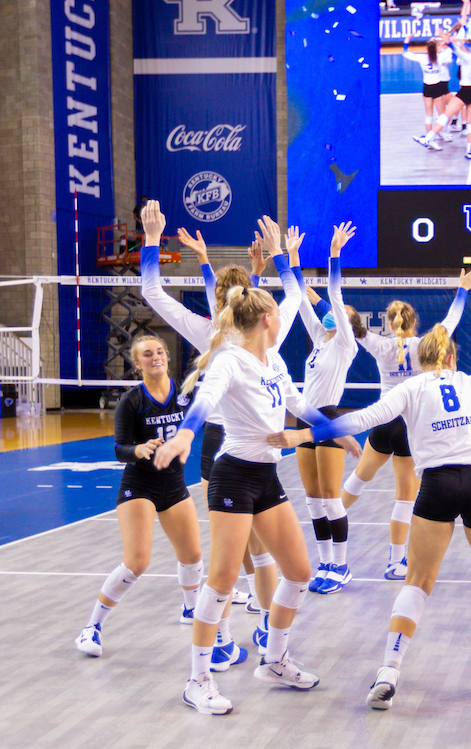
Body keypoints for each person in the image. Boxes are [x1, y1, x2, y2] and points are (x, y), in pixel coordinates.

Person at [268, 326, 471, 709]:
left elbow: (361, 420)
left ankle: (389, 670)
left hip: (437, 485)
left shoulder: (409, 388)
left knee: (418, 582)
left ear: (421, 360)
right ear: (452, 357)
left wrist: (303, 436)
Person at [152, 283, 361, 716]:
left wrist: (335, 431)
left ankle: (276, 661)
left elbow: (299, 403)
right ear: (269, 319)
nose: (282, 318)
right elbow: (205, 398)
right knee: (223, 580)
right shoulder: (230, 360)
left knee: (300, 571)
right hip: (232, 477)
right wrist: (186, 435)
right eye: (280, 314)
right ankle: (198, 680)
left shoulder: (275, 359)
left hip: (266, 475)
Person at [144, 205, 303, 661]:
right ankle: (263, 632)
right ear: (258, 306)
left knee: (233, 551)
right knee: (253, 550)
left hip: (224, 445)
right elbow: (291, 295)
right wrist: (281, 257)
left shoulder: (208, 331)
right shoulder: (253, 331)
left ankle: (230, 639)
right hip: (243, 447)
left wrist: (153, 240)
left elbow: (153, 290)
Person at [341, 269, 471, 579]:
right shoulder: (425, 346)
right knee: (404, 499)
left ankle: (329, 528)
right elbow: (451, 321)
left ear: (389, 323)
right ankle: (395, 563)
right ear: (413, 321)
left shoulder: (379, 345)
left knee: (358, 479)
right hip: (407, 428)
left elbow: (352, 327)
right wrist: (462, 289)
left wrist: (329, 303)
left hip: (382, 422)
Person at [74, 334, 203, 658]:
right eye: (148, 354)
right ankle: (92, 627)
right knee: (137, 562)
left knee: (192, 557)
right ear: (137, 363)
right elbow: (119, 449)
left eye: (160, 352)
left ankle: (191, 611)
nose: (156, 357)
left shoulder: (187, 395)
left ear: (168, 358)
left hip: (174, 485)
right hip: (140, 486)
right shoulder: (131, 401)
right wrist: (139, 449)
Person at [293, 224, 362, 595]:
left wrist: (334, 253)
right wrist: (291, 258)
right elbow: (303, 300)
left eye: (341, 312)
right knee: (313, 497)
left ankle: (342, 564)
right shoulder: (321, 338)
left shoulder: (345, 345)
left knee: (331, 497)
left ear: (347, 321)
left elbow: (332, 296)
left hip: (331, 417)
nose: (334, 313)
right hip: (306, 416)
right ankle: (324, 561)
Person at [415, 0, 471, 159]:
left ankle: (428, 138)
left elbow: (456, 45)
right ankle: (469, 150)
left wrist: (447, 40)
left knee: (445, 114)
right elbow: (464, 20)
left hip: (465, 90)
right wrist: (467, 4)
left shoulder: (465, 57)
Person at [401, 36, 453, 140]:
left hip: (427, 88)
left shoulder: (421, 58)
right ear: (436, 48)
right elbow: (451, 48)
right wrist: (444, 42)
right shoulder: (440, 57)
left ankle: (430, 139)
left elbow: (405, 53)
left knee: (429, 115)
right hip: (437, 87)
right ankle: (443, 132)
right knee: (442, 114)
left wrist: (407, 39)